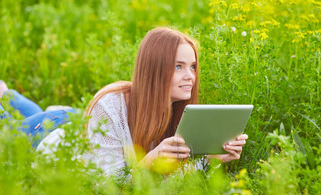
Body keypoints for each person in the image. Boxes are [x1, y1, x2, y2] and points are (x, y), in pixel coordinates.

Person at [85, 27, 248, 174]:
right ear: (154, 70)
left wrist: (211, 159)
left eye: (192, 66)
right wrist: (151, 160)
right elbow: (106, 184)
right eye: (178, 66)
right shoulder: (109, 107)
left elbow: (170, 182)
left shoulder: (181, 109)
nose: (190, 76)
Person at [0, 80, 75, 147]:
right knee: (11, 131)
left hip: (71, 116)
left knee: (39, 116)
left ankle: (6, 94)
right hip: (58, 131)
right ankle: (6, 94)